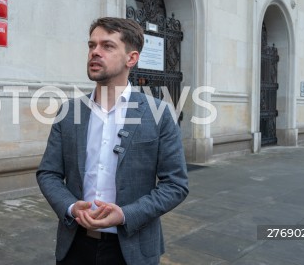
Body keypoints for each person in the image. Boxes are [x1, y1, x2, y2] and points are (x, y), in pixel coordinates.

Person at [36, 17, 189, 265]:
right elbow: (48, 173)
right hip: (75, 245)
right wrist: (71, 207)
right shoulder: (69, 112)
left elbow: (176, 184)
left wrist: (125, 215)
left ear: (132, 58)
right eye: (91, 45)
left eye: (107, 46)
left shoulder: (158, 114)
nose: (95, 52)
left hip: (132, 249)